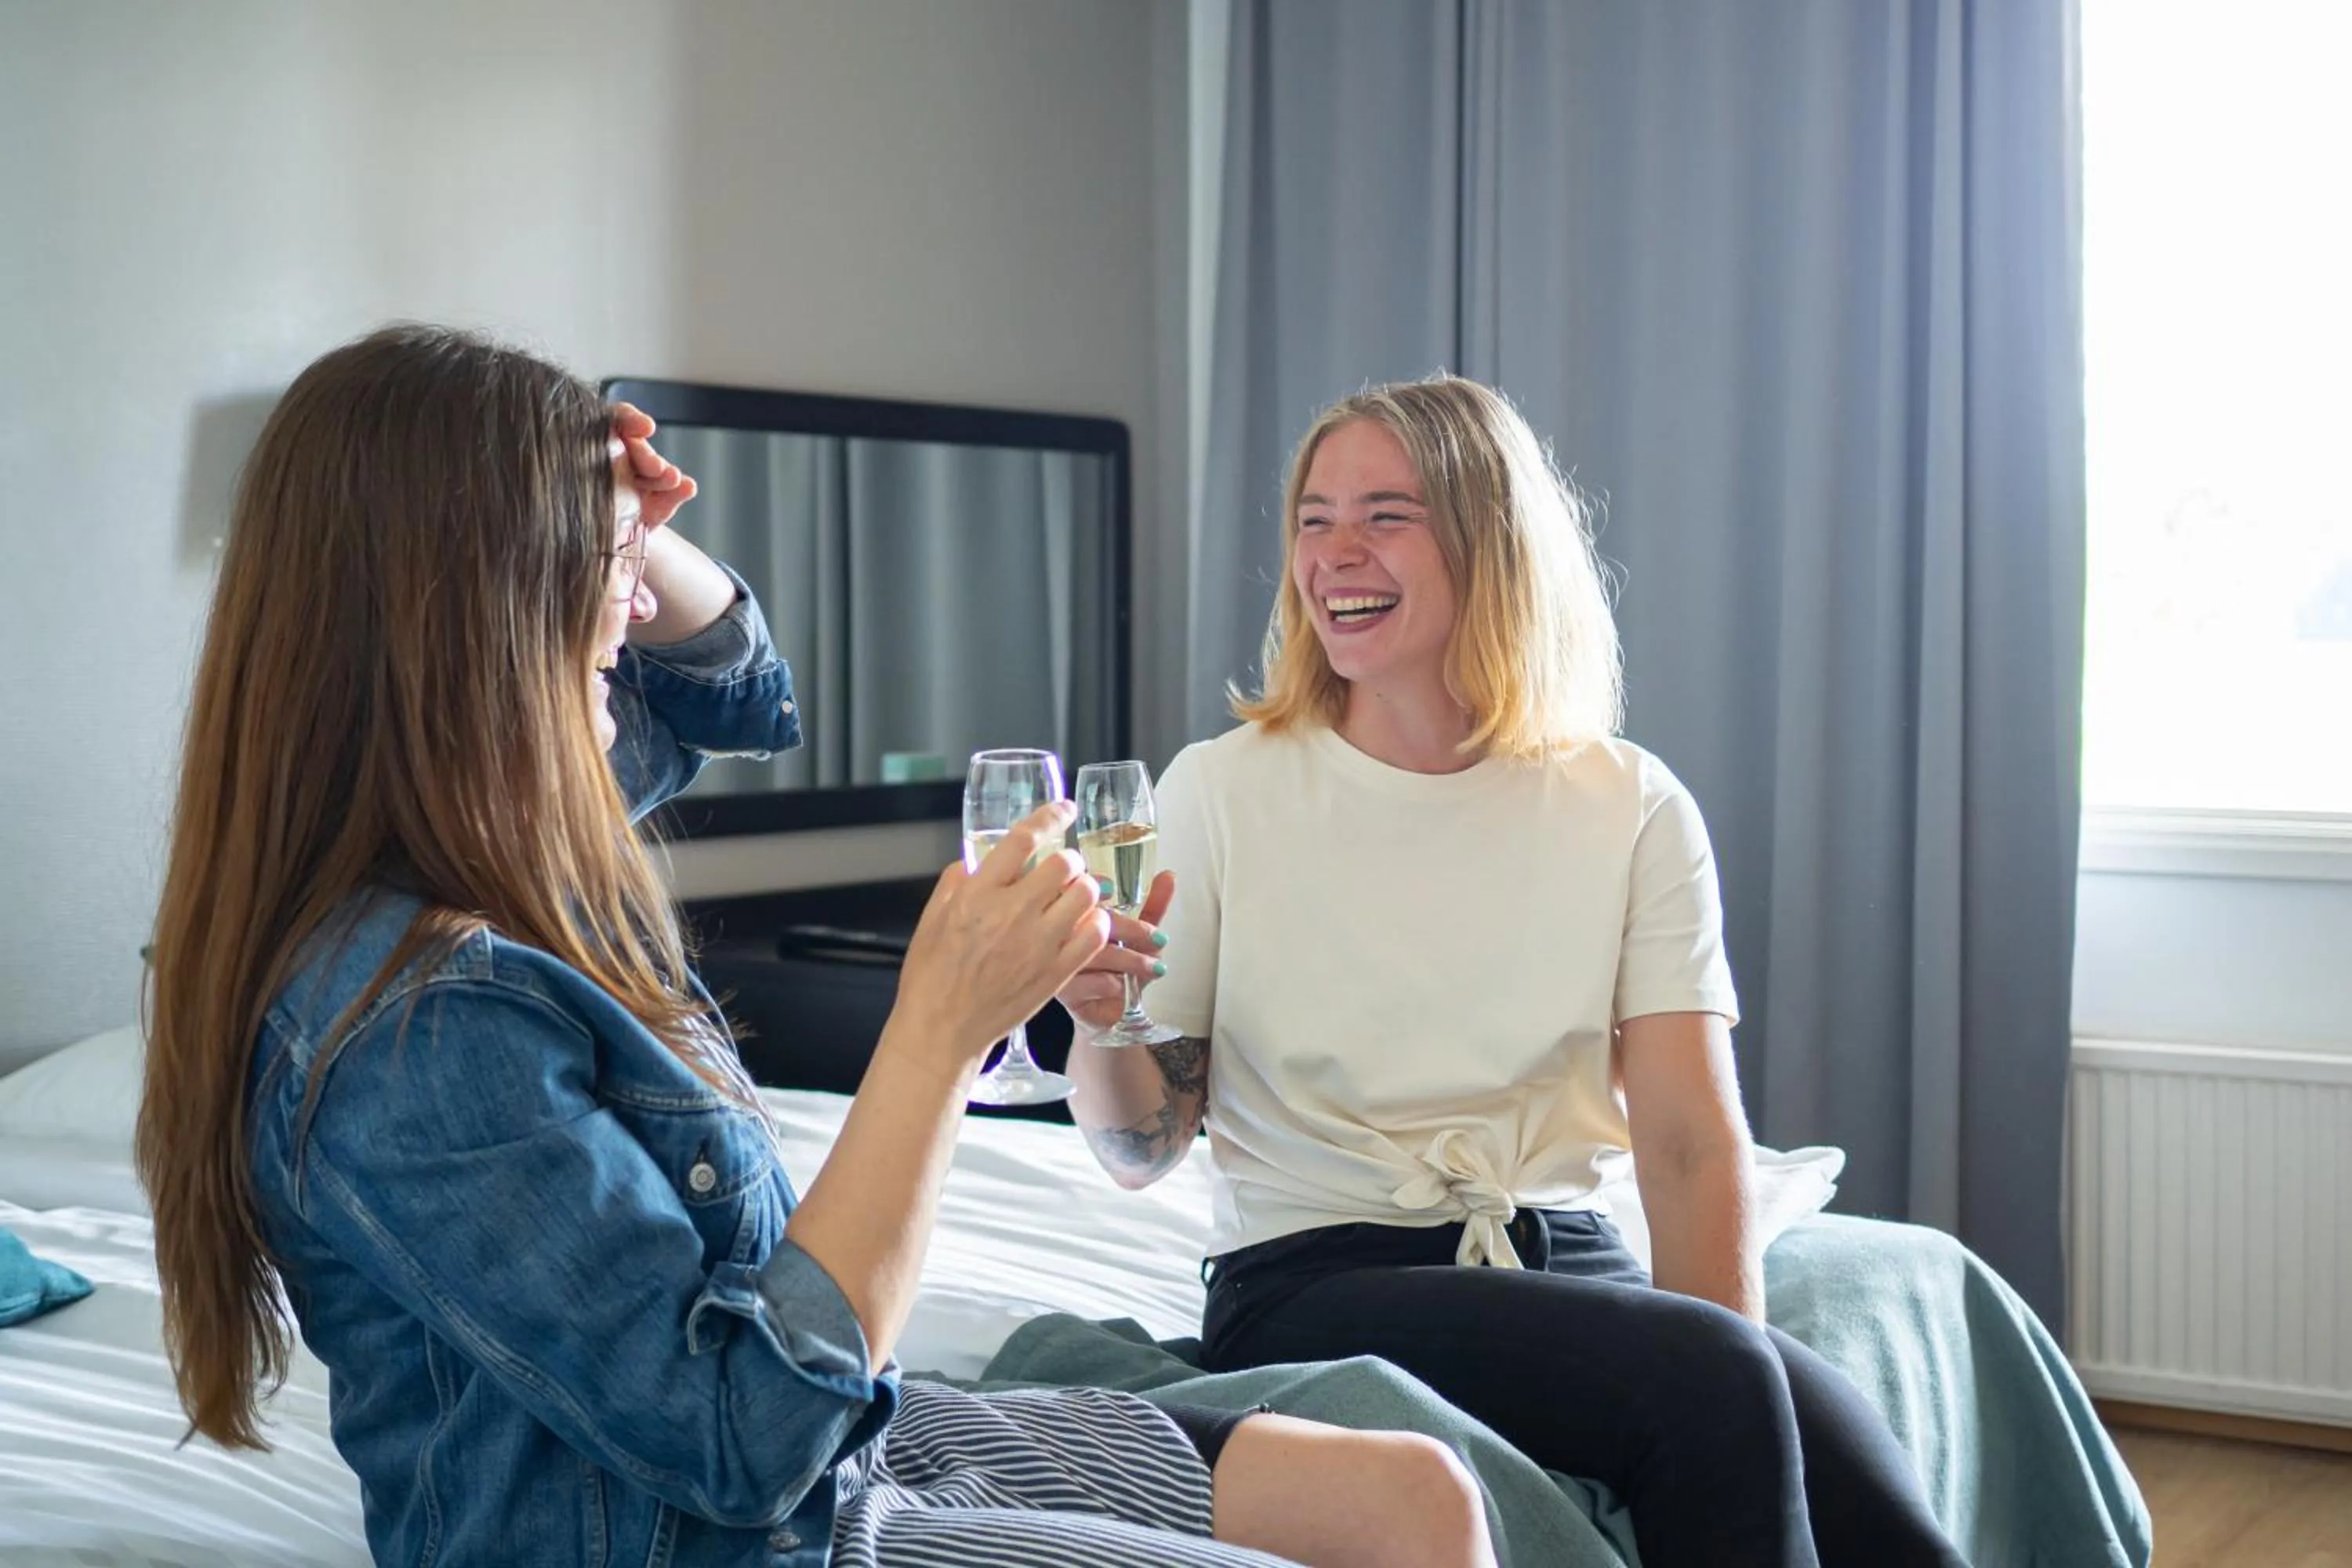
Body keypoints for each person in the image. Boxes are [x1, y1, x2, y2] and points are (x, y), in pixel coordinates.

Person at [136, 325, 1496, 1568]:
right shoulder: (417, 1030)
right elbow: (741, 1437)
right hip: (737, 1531)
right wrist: (936, 1034)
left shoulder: (487, 849)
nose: (631, 614)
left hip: (848, 1468)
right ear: (474, 613)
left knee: (1417, 1493)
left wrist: (631, 527)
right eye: (606, 578)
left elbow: (742, 686)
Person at [1061, 375, 1969, 1568]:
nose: (1336, 551)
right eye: (1313, 517)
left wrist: (1731, 1363)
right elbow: (1145, 1150)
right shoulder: (1221, 792)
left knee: (1862, 1489)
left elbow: (1693, 1146)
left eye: (1387, 514)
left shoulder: (1630, 803)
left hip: (1567, 1252)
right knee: (1713, 1385)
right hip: (1314, 1273)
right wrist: (1107, 1028)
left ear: (1491, 541)